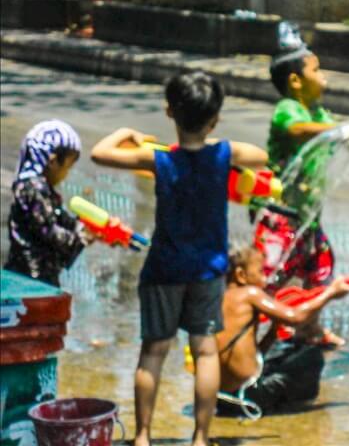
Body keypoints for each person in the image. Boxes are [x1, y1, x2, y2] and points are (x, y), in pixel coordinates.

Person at [90, 71, 267, 446]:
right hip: (207, 271)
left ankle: (142, 437)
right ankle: (201, 438)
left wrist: (126, 132)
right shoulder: (223, 154)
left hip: (164, 269)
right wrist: (217, 141)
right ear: (214, 118)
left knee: (153, 352)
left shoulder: (160, 159)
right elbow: (262, 156)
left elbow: (100, 153)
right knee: (205, 351)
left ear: (169, 112)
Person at [260, 22, 343, 345]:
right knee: (272, 274)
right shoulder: (288, 110)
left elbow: (332, 131)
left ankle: (309, 327)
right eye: (317, 70)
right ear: (295, 80)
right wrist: (333, 132)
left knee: (320, 268)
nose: (324, 78)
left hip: (308, 214)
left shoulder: (319, 113)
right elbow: (296, 130)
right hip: (279, 214)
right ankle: (252, 332)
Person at [215, 245, 349, 416]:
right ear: (241, 275)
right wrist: (331, 293)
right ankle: (294, 403)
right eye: (261, 272)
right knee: (312, 355)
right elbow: (296, 317)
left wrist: (273, 332)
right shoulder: (250, 293)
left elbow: (250, 356)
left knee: (280, 349)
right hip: (249, 398)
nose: (265, 280)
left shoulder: (217, 297)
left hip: (220, 398)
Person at [4, 119, 93, 287]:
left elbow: (61, 219)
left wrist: (84, 227)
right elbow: (47, 230)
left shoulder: (42, 189)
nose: (67, 174)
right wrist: (80, 238)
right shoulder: (32, 189)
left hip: (39, 277)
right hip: (29, 277)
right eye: (67, 167)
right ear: (52, 161)